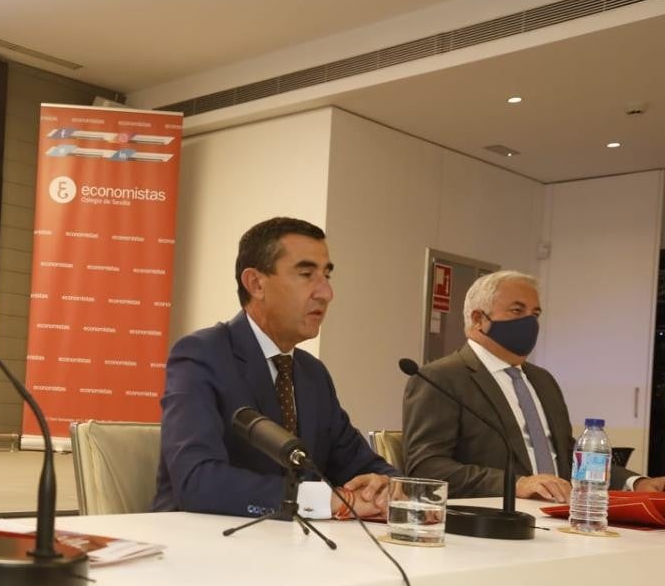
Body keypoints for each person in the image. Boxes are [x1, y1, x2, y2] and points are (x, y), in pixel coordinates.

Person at [153, 217, 398, 519]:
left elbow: (361, 464)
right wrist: (327, 501)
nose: (326, 293)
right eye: (307, 274)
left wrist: (385, 486)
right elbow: (197, 482)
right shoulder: (202, 355)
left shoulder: (313, 374)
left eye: (327, 276)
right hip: (207, 548)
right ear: (256, 283)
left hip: (296, 549)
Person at [403, 270, 665, 500]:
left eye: (535, 314)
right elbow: (426, 467)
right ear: (478, 319)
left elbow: (565, 457)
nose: (530, 322)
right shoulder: (441, 378)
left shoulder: (542, 380)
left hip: (559, 513)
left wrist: (634, 483)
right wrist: (515, 485)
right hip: (490, 521)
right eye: (517, 311)